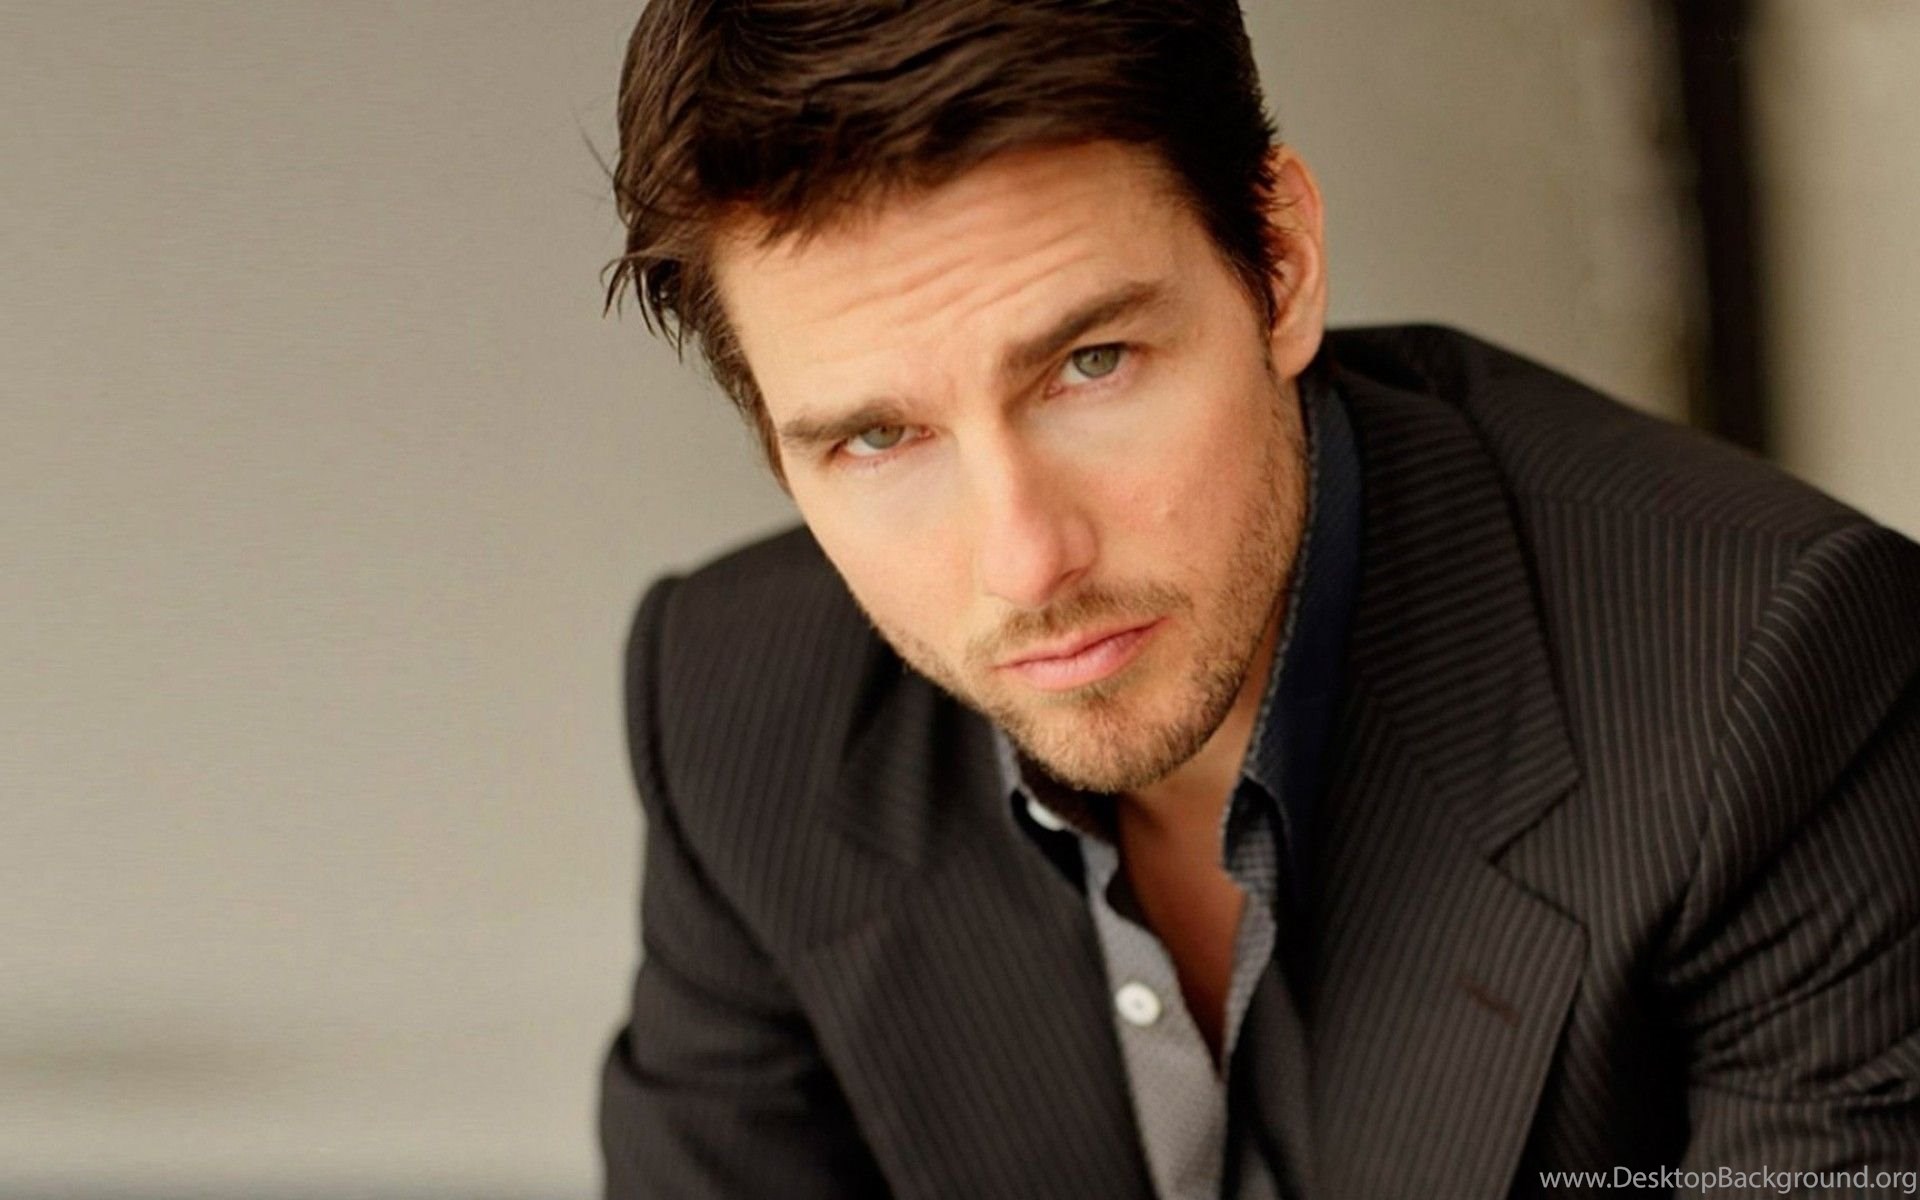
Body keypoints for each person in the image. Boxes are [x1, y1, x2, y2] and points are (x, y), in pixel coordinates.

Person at [595, 2, 1920, 1197]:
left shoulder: (1770, 677)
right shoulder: (735, 706)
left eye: (1091, 362)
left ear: (1278, 262)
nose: (1027, 561)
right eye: (878, 439)